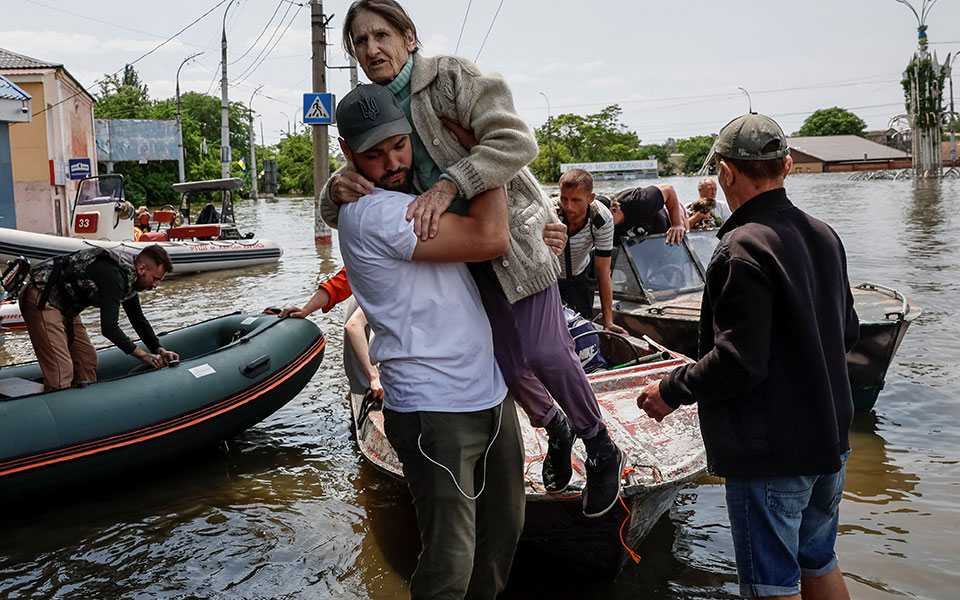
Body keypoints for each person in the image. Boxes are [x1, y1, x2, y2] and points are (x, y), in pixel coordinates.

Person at [320, 0, 625, 517]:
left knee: (545, 350)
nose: (372, 49)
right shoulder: (371, 105)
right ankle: (555, 426)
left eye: (381, 35)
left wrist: (449, 183)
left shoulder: (450, 79)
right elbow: (356, 190)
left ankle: (600, 446)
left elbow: (515, 140)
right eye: (360, 42)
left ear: (408, 37)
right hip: (465, 256)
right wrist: (334, 189)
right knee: (506, 361)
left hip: (519, 240)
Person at [637, 113, 859, 600]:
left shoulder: (740, 248)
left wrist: (670, 389)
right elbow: (848, 332)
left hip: (773, 453)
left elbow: (739, 361)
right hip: (829, 439)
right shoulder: (823, 233)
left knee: (770, 585)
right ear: (786, 166)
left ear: (727, 173)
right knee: (819, 561)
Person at [334, 83, 523, 600]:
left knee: (499, 542)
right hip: (432, 407)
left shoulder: (409, 193)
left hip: (489, 392)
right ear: (348, 156)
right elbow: (491, 237)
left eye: (399, 144)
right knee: (449, 566)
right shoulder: (373, 213)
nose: (393, 162)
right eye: (372, 154)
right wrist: (476, 156)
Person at [20, 245, 179, 391]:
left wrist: (158, 349)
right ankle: (59, 404)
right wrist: (143, 355)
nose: (155, 285)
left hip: (67, 306)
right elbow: (109, 328)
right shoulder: (115, 276)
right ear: (141, 268)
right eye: (155, 278)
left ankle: (85, 405)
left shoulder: (131, 279)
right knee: (62, 371)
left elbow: (138, 319)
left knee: (87, 359)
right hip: (42, 297)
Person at [554, 168, 626, 333]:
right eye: (564, 199)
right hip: (550, 278)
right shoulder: (551, 211)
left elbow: (603, 271)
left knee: (582, 326)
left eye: (576, 200)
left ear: (590, 198)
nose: (568, 206)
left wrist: (608, 321)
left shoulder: (601, 219)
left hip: (580, 274)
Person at [610, 183, 687, 244]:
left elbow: (668, 189)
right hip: (643, 245)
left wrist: (676, 224)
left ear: (611, 212)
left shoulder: (638, 200)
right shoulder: (603, 232)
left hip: (667, 221)